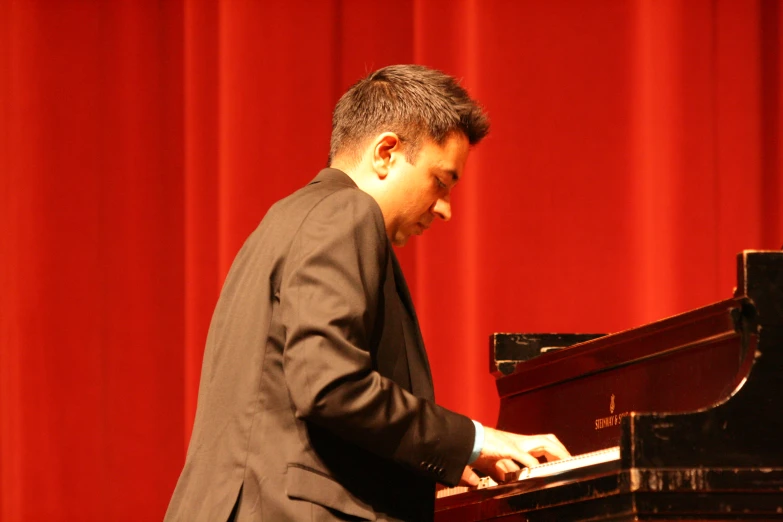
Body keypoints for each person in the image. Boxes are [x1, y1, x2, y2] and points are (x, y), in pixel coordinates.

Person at [164, 64, 569, 522]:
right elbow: (331, 385)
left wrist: (456, 457)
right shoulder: (346, 213)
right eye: (441, 181)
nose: (445, 209)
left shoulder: (284, 221)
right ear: (386, 153)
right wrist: (475, 440)